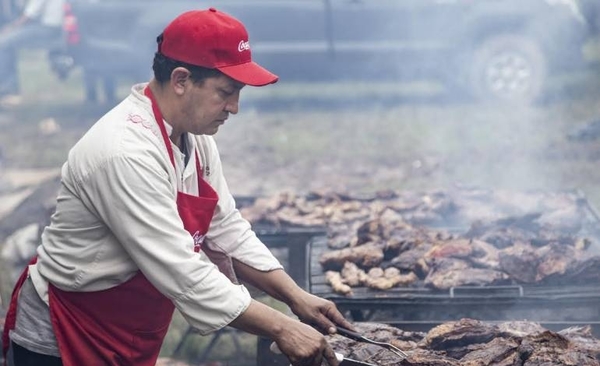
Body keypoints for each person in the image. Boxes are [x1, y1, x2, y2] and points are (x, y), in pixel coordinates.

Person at [1, 7, 354, 366]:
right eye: (226, 92)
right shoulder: (124, 152)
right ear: (182, 80)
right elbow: (180, 268)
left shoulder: (195, 138)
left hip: (129, 328)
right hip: (64, 334)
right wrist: (282, 327)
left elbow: (226, 229)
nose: (234, 107)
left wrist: (295, 296)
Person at [0, 0, 65, 106]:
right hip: (58, 27)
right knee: (8, 42)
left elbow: (29, 16)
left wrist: (11, 28)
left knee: (4, 44)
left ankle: (9, 90)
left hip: (48, 28)